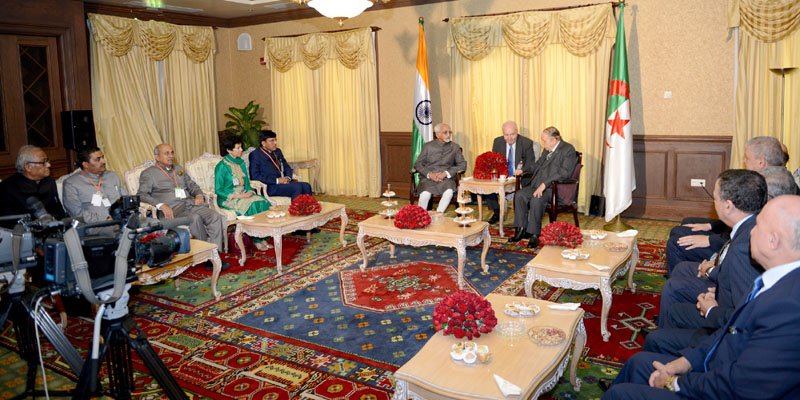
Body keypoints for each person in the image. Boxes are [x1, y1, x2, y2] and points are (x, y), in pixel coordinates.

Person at [602, 195, 800, 400]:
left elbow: (741, 386)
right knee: (639, 363)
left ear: (773, 241)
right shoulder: (779, 281)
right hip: (717, 366)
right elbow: (730, 331)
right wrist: (686, 361)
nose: (751, 231)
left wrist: (675, 383)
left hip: (721, 387)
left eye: (758, 226)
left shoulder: (789, 306)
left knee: (620, 394)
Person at [656, 170, 766, 331]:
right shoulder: (751, 223)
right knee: (681, 268)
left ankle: (667, 333)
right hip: (722, 275)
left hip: (725, 314)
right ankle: (669, 323)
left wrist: (712, 276)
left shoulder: (744, 246)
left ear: (728, 205)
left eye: (714, 198)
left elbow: (743, 307)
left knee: (673, 287)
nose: (713, 203)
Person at [665, 136, 785, 275]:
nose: (744, 162)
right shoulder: (772, 178)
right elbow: (741, 216)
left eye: (746, 158)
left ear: (761, 162)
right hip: (735, 237)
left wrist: (710, 241)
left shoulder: (770, 188)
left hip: (739, 248)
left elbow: (746, 228)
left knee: (676, 242)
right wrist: (711, 226)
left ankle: (687, 282)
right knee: (685, 226)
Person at [138, 144, 229, 270]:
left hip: (190, 204)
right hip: (173, 211)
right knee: (195, 218)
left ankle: (215, 253)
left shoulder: (178, 169)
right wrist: (160, 205)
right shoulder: (149, 174)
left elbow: (192, 185)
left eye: (172, 152)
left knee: (215, 216)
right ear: (157, 157)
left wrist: (198, 194)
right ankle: (205, 257)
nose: (171, 156)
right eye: (166, 153)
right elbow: (141, 195)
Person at [510, 126, 578, 248]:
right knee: (519, 195)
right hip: (538, 185)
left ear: (554, 139)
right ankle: (521, 230)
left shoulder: (568, 150)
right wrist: (523, 171)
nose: (543, 143)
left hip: (554, 188)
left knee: (537, 198)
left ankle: (534, 234)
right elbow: (537, 165)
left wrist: (545, 184)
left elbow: (564, 173)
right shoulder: (547, 149)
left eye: (544, 140)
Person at [482, 121, 539, 224]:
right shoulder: (498, 142)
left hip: (519, 177)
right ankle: (497, 211)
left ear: (517, 132)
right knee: (488, 186)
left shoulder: (526, 143)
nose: (510, 138)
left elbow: (531, 165)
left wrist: (522, 171)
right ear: (503, 134)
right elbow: (494, 161)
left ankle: (521, 218)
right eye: (506, 135)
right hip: (502, 177)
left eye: (512, 134)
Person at [0, 145, 66, 225]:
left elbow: (59, 212)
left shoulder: (49, 181)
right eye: (43, 162)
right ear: (28, 167)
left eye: (47, 161)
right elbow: (8, 222)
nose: (49, 165)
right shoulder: (8, 187)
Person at [62, 146, 127, 224]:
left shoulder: (112, 176)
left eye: (102, 157)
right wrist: (105, 219)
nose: (103, 161)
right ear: (85, 164)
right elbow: (77, 213)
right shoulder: (71, 184)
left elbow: (125, 199)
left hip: (122, 220)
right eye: (98, 159)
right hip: (95, 226)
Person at [413, 123, 467, 212]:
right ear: (437, 135)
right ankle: (420, 216)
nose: (448, 135)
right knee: (425, 194)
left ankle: (438, 214)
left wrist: (446, 173)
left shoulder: (455, 147)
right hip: (428, 179)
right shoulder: (428, 146)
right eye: (445, 132)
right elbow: (418, 164)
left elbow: (462, 164)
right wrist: (430, 174)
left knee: (449, 192)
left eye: (450, 132)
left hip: (446, 179)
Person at [215, 135, 271, 216]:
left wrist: (249, 191)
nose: (241, 150)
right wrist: (239, 196)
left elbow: (247, 183)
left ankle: (267, 228)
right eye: (238, 148)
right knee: (253, 205)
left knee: (263, 202)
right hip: (230, 198)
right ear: (229, 150)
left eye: (241, 147)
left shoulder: (241, 163)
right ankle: (252, 228)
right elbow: (218, 190)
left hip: (244, 194)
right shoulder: (221, 166)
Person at [248, 130, 312, 199]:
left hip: (282, 182)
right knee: (297, 187)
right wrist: (277, 180)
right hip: (268, 186)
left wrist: (287, 178)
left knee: (306, 186)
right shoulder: (255, 155)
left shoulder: (277, 151)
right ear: (263, 143)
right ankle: (295, 209)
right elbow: (255, 176)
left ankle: (307, 208)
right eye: (271, 141)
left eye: (275, 140)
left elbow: (286, 166)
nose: (275, 143)